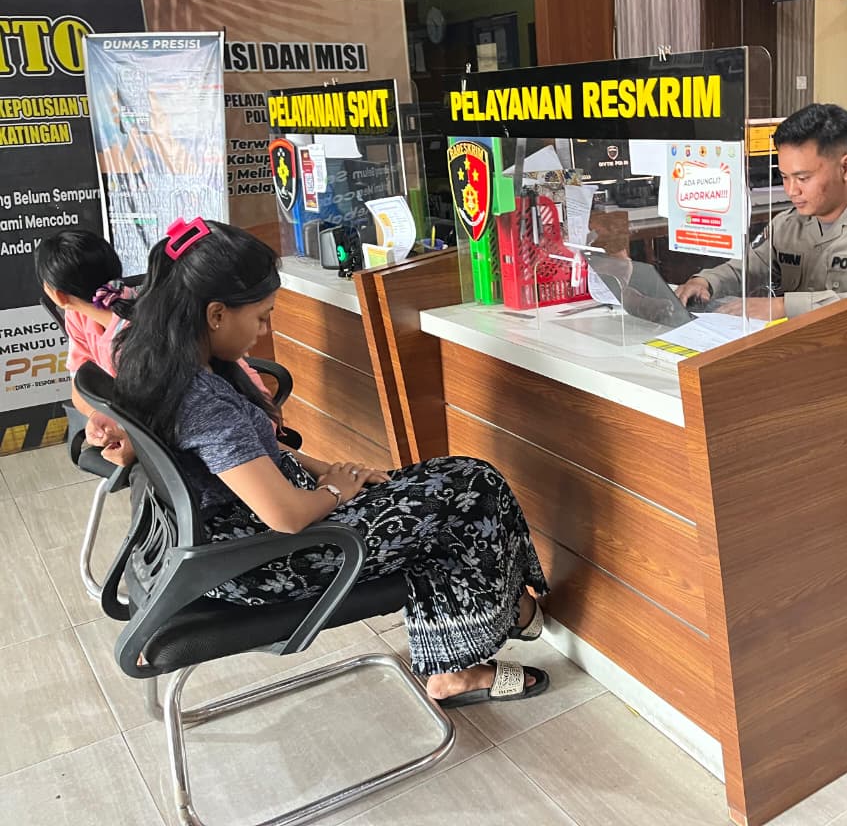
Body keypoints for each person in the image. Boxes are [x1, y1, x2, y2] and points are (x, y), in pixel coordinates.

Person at [111, 217, 551, 704]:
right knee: (468, 496)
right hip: (264, 559)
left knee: (467, 478)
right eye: (261, 317)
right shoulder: (204, 402)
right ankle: (471, 656)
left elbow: (249, 453)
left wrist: (323, 470)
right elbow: (286, 516)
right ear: (216, 314)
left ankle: (502, 613)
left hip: (238, 541)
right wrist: (336, 490)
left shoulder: (154, 357)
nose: (265, 330)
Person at [675, 103, 847, 320]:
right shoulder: (786, 225)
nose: (791, 190)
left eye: (803, 178)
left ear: (845, 168)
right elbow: (748, 268)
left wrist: (784, 307)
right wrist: (706, 282)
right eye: (785, 177)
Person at [34, 228, 268, 468]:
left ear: (58, 296)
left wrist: (138, 444)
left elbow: (192, 414)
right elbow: (81, 382)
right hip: (195, 429)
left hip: (235, 427)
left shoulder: (139, 341)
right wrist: (100, 416)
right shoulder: (80, 317)